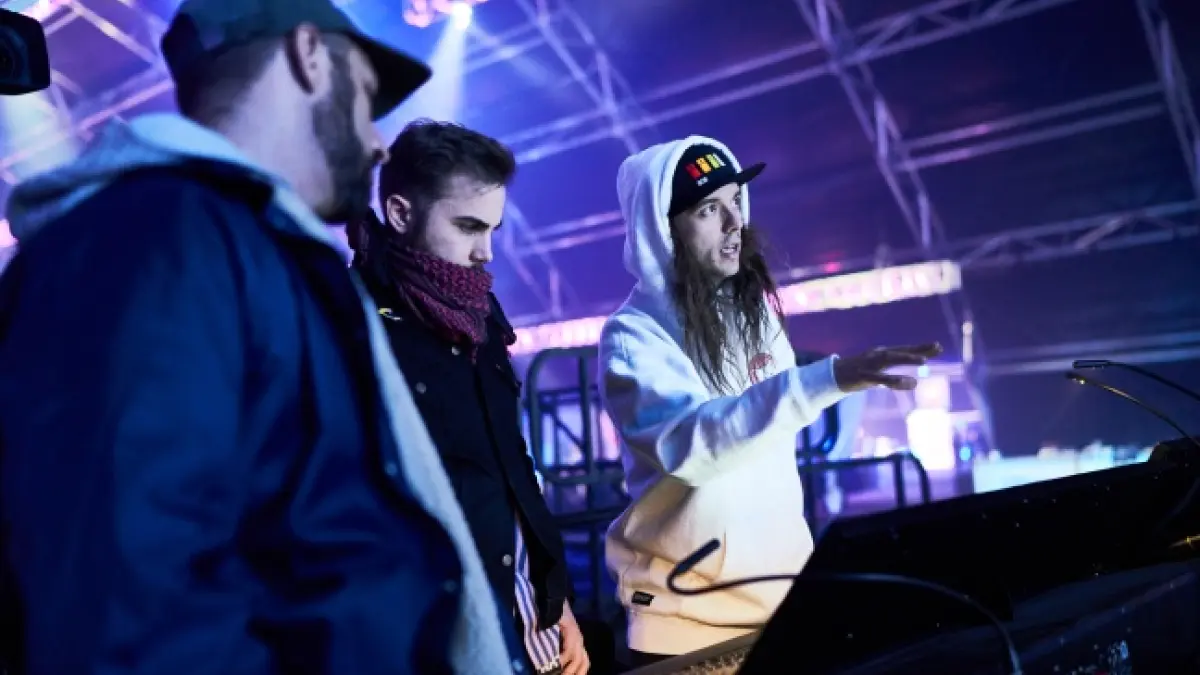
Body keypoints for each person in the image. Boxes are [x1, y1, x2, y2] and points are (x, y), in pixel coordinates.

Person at [0, 1, 519, 673]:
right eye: (365, 98)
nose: (377, 143)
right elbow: (125, 605)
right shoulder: (158, 240)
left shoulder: (233, 246)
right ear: (309, 55)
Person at [597, 137, 942, 664]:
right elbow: (691, 446)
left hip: (781, 608)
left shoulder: (754, 315)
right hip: (685, 624)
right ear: (661, 228)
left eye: (736, 201)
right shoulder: (633, 334)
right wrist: (826, 380)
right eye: (709, 209)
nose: (735, 222)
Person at [348, 120, 590, 675]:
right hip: (430, 630)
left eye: (493, 229)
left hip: (525, 615)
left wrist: (553, 597)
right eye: (468, 226)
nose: (486, 251)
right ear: (400, 213)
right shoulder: (351, 320)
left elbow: (511, 464)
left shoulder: (481, 313)